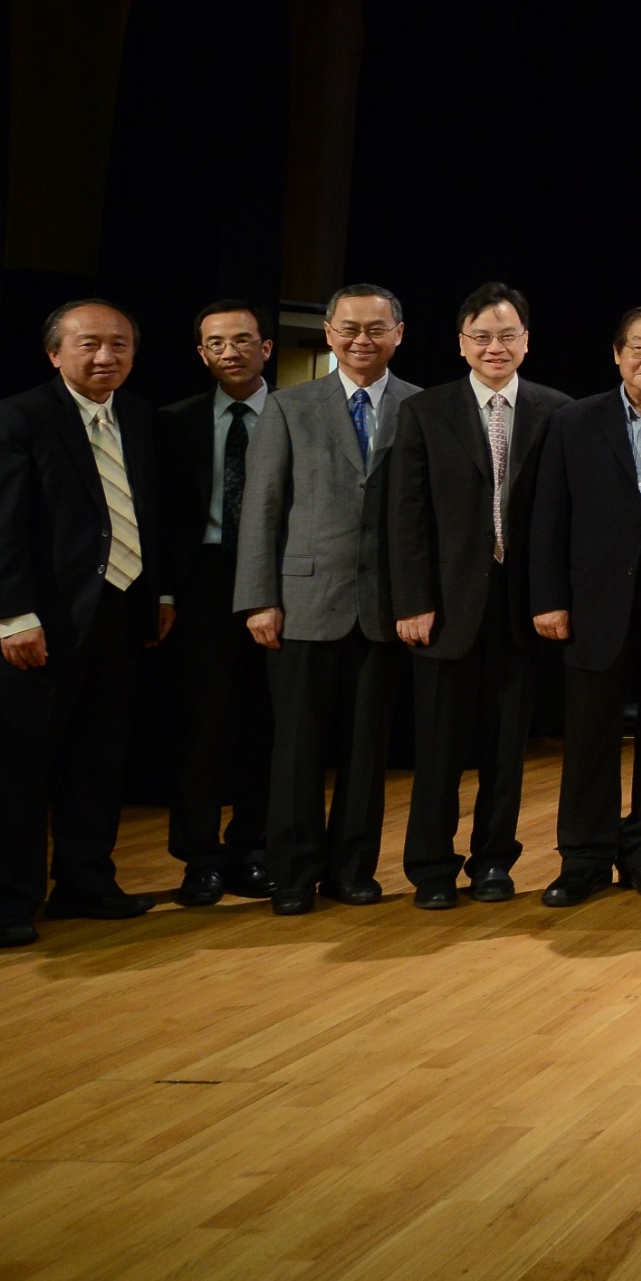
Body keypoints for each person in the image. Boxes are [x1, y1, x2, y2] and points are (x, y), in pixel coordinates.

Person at [0, 299, 174, 948]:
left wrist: (160, 591)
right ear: (55, 351)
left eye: (119, 344)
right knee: (19, 767)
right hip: (40, 622)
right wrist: (14, 614)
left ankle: (85, 881)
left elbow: (154, 513)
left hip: (120, 615)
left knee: (99, 759)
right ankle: (5, 901)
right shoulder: (17, 418)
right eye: (88, 344)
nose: (105, 356)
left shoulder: (140, 418)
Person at [234, 283, 416, 917]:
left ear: (398, 332)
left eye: (375, 328)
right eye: (349, 328)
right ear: (330, 333)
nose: (361, 339)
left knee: (369, 749)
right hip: (303, 599)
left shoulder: (422, 407)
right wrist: (258, 598)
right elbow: (262, 508)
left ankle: (352, 870)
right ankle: (292, 872)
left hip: (385, 604)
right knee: (298, 747)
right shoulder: (290, 406)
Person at [385, 282, 567, 908]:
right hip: (443, 610)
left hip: (521, 611)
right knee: (437, 750)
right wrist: (412, 600)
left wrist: (554, 597)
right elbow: (406, 516)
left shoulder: (555, 411)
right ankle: (431, 868)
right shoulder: (425, 411)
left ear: (526, 342)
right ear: (462, 344)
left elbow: (561, 519)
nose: (496, 347)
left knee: (506, 752)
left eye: (507, 335)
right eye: (483, 337)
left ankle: (494, 861)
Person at [529, 306, 641, 906]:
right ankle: (583, 858)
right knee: (588, 737)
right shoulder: (573, 422)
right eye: (638, 347)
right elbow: (548, 519)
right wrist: (549, 598)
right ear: (616, 353)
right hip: (592, 606)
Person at [157, 299, 273, 906]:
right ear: (202, 354)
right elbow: (161, 518)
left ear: (265, 348)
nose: (230, 351)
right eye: (216, 343)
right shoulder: (174, 421)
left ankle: (252, 851)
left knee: (264, 723)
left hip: (278, 584)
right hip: (201, 582)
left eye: (242, 340)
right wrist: (166, 591)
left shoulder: (293, 415)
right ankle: (198, 858)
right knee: (200, 727)